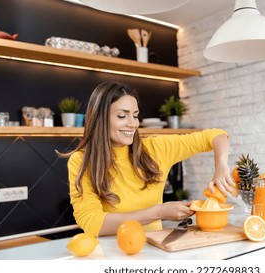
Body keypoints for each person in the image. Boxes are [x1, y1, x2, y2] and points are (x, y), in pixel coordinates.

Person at [61, 81, 234, 237]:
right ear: (100, 118)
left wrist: (221, 165)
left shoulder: (155, 148)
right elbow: (93, 223)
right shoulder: (81, 160)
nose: (133, 123)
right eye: (122, 116)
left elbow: (216, 135)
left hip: (153, 250)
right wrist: (159, 212)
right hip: (110, 253)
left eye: (135, 115)